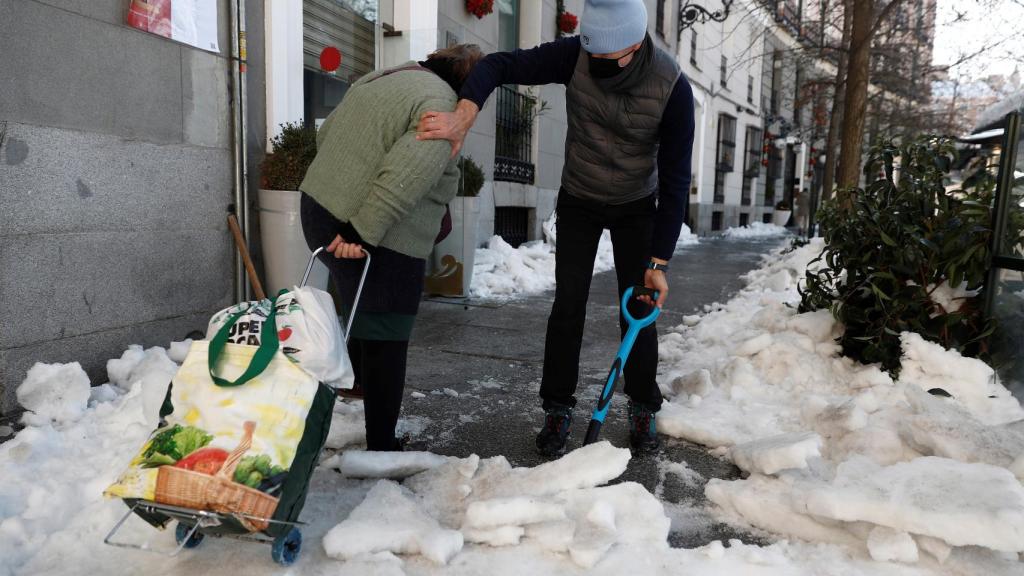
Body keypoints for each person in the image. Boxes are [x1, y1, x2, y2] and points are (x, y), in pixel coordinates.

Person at [417, 0, 695, 455]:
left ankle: (643, 406)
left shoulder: (672, 87)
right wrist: (464, 114)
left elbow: (677, 180)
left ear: (633, 45)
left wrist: (659, 260)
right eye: (592, 52)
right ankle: (557, 408)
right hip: (580, 198)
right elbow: (498, 65)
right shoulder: (575, 56)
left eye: (607, 56)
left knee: (638, 308)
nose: (596, 62)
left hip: (636, 205)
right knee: (568, 306)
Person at [299, 44, 484, 451]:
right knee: (388, 328)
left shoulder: (386, 76)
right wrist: (360, 232)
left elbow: (327, 134)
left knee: (363, 303)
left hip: (318, 209)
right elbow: (405, 176)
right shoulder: (442, 106)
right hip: (365, 231)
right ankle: (382, 444)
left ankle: (356, 380)